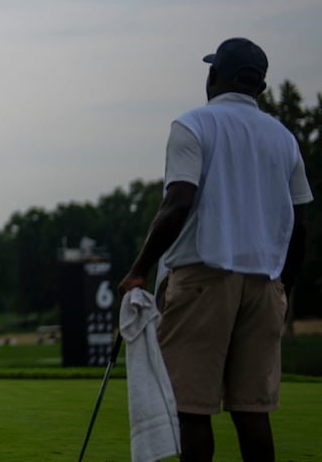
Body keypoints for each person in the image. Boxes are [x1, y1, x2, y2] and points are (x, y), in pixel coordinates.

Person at [119, 37, 312, 462]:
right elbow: (300, 224)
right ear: (259, 88)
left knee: (190, 408)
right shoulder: (284, 139)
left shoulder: (193, 125)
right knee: (252, 412)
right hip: (264, 285)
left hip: (203, 278)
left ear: (213, 76)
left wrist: (138, 270)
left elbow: (179, 201)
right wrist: (285, 288)